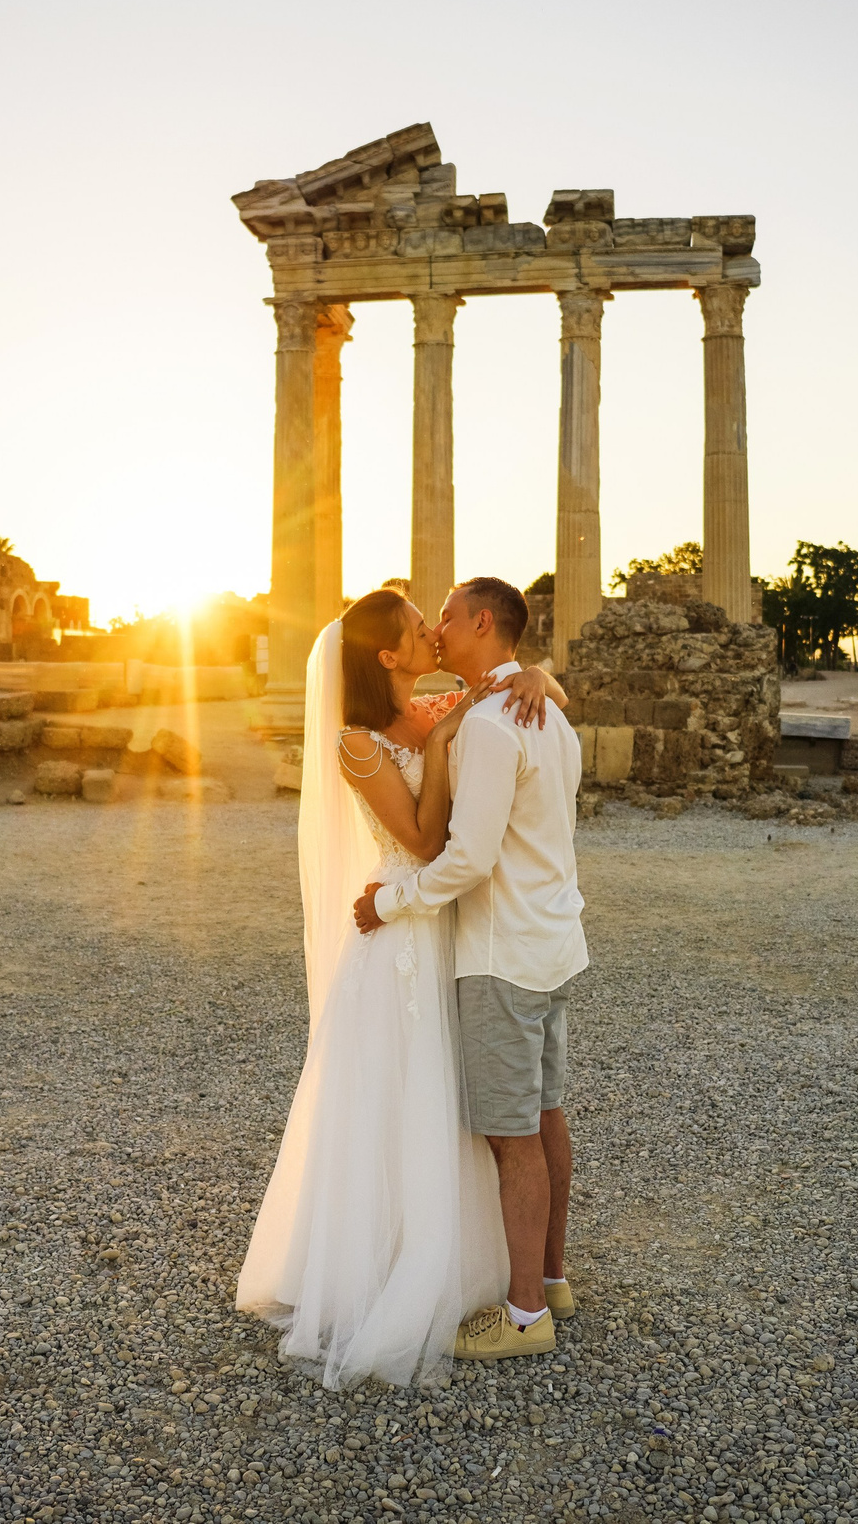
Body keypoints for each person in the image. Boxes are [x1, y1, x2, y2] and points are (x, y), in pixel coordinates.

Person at [236, 587, 569, 1387]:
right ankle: (386, 1262)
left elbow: (529, 683)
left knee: (463, 1099)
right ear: (388, 657)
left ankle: (495, 1271)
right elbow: (421, 839)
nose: (432, 632)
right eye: (420, 628)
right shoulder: (359, 741)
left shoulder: (449, 706)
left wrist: (541, 675)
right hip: (400, 933)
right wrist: (451, 733)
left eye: (438, 621)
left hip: (449, 922)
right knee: (397, 1094)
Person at [353, 576, 586, 1362]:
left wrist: (390, 903)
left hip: (500, 957)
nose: (439, 630)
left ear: (481, 622)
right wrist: (535, 672)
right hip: (553, 944)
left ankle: (524, 1317)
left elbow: (468, 858)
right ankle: (551, 1278)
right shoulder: (547, 711)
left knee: (511, 1135)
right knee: (547, 1115)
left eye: (446, 617)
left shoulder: (493, 723)